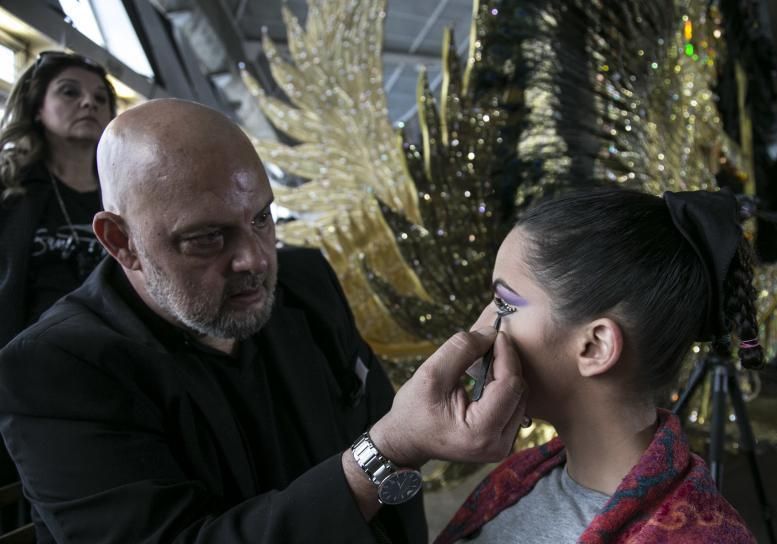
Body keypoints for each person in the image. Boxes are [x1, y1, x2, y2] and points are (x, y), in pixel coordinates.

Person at [0, 98, 528, 543]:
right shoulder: (52, 373)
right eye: (207, 238)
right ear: (121, 241)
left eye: (261, 218)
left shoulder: (303, 282)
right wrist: (387, 452)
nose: (254, 258)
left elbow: (379, 447)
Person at [436, 188, 758, 543]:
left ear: (595, 346)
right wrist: (399, 446)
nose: (479, 328)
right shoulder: (516, 478)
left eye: (504, 304)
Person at [0, 50, 116, 348]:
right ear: (37, 107)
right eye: (69, 92)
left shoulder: (126, 195)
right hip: (22, 362)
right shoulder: (9, 186)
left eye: (100, 98)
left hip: (111, 361)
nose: (89, 102)